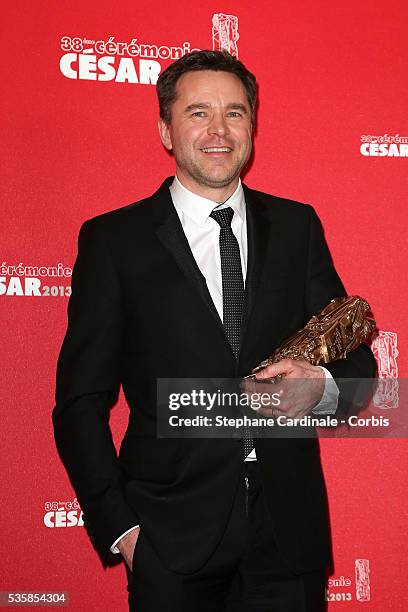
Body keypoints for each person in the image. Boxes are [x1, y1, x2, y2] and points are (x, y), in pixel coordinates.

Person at [53, 50, 376, 611]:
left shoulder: (297, 226)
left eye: (235, 112)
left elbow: (360, 371)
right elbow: (80, 401)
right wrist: (123, 531)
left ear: (253, 125)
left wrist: (319, 387)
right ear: (166, 130)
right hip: (168, 537)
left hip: (287, 533)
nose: (219, 130)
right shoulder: (114, 242)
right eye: (199, 112)